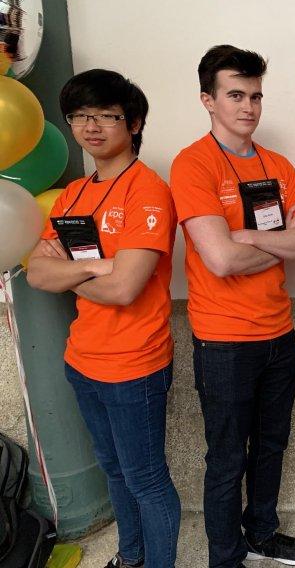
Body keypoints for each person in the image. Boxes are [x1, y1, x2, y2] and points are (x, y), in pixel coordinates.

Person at [169, 45, 295, 568]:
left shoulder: (277, 166)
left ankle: (261, 534)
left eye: (256, 95)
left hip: (279, 335)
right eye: (235, 95)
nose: (249, 107)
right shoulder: (193, 164)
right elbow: (219, 260)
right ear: (207, 100)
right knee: (227, 459)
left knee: (272, 446)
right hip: (224, 341)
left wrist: (247, 236)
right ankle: (226, 557)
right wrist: (275, 237)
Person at [27, 69, 180, 568]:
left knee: (146, 479)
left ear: (133, 123)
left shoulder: (148, 191)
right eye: (79, 116)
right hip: (83, 359)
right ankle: (130, 557)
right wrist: (93, 264)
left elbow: (125, 287)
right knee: (114, 471)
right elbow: (36, 275)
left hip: (135, 364)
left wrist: (68, 271)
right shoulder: (72, 195)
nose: (91, 126)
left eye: (106, 116)